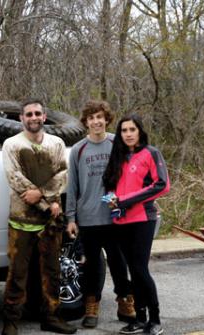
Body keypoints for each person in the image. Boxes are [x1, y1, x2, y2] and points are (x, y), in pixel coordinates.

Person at [0, 99, 76, 335]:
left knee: (52, 273)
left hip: (51, 223)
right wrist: (46, 203)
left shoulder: (57, 143)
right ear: (21, 118)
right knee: (16, 275)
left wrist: (42, 195)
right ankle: (11, 321)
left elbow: (63, 174)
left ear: (44, 117)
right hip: (21, 222)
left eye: (37, 113)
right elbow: (15, 179)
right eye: (28, 114)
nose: (33, 117)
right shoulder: (11, 145)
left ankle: (51, 317)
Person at [65, 100, 135, 328]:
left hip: (115, 218)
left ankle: (125, 302)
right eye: (91, 118)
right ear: (86, 122)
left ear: (107, 119)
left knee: (118, 263)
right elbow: (72, 186)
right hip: (88, 218)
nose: (96, 121)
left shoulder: (118, 143)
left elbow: (131, 178)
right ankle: (92, 306)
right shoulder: (78, 149)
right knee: (92, 267)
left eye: (99, 117)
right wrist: (71, 218)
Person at [102, 114, 170, 335]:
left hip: (142, 219)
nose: (128, 134)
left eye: (132, 129)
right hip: (120, 219)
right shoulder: (118, 156)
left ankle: (155, 319)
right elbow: (109, 186)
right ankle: (140, 319)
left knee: (140, 269)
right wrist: (111, 199)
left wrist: (127, 200)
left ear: (139, 131)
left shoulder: (151, 153)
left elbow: (162, 185)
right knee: (132, 269)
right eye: (124, 130)